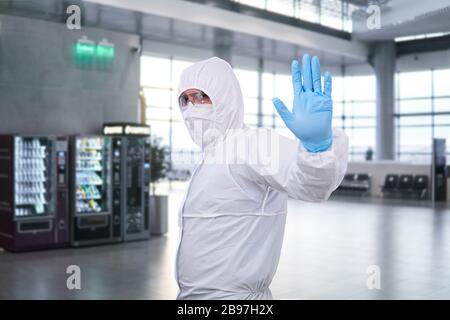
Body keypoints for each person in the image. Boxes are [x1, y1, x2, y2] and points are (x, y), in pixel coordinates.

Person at [175, 54, 348, 300]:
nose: (192, 107)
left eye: (201, 96)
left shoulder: (251, 144)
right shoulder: (210, 157)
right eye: (185, 99)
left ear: (224, 96)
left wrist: (317, 148)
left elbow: (310, 185)